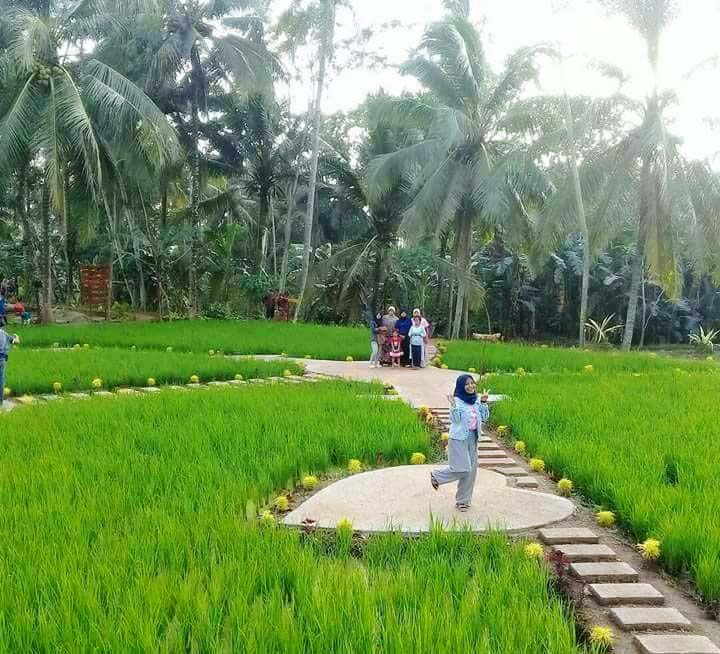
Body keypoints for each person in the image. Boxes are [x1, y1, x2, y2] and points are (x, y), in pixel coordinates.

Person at [430, 376, 490, 511]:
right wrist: (453, 405)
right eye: (467, 384)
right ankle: (437, 476)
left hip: (473, 437)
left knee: (471, 472)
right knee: (463, 468)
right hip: (458, 439)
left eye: (472, 383)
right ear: (461, 386)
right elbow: (455, 420)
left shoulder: (476, 400)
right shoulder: (457, 400)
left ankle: (463, 501)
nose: (471, 386)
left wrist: (484, 402)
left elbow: (484, 417)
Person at [0, 316, 20, 408]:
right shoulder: (4, 334)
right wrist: (16, 336)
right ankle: (0, 404)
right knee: (1, 381)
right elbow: (16, 342)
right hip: (2, 359)